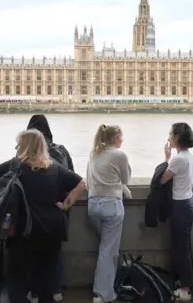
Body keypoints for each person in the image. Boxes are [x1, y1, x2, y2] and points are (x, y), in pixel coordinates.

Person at [0, 129, 86, 303]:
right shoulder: (55, 167)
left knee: (16, 277)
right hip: (52, 230)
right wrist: (65, 205)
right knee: (47, 276)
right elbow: (80, 183)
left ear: (23, 146)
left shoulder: (14, 165)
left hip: (23, 230)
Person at [86, 124, 132, 303]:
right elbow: (126, 179)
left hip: (92, 205)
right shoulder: (119, 155)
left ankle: (105, 287)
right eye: (121, 137)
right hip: (111, 206)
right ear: (115, 138)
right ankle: (102, 293)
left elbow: (90, 183)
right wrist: (122, 187)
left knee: (104, 248)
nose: (122, 140)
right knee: (108, 251)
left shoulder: (93, 155)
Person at [159, 123, 193, 301]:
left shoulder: (178, 159)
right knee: (185, 246)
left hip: (180, 205)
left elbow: (162, 180)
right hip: (189, 201)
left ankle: (185, 289)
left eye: (170, 134)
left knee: (180, 248)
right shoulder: (188, 156)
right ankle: (186, 282)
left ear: (177, 137)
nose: (168, 137)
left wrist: (166, 159)